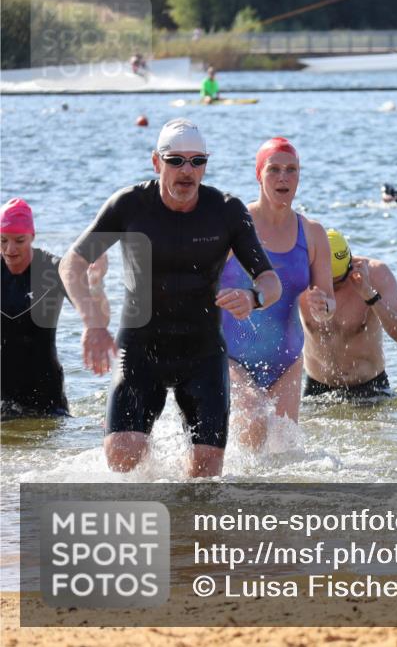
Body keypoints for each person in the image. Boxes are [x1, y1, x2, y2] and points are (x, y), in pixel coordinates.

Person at [59, 118, 281, 477]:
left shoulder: (226, 210)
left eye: (197, 161)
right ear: (156, 162)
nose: (187, 170)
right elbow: (72, 263)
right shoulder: (130, 205)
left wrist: (254, 297)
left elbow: (271, 280)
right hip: (140, 349)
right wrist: (92, 322)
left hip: (203, 352)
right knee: (123, 459)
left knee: (206, 475)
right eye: (175, 160)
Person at [219, 138, 336, 450]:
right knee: (253, 430)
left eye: (291, 170)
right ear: (259, 174)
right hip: (230, 356)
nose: (283, 177)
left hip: (287, 360)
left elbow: (328, 303)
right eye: (274, 169)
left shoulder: (312, 233)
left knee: (284, 453)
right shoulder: (233, 225)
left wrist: (320, 304)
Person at [1, 199, 107, 418]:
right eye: (2, 241)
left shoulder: (55, 269)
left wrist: (96, 283)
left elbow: (99, 317)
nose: (10, 249)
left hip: (46, 396)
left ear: (32, 236)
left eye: (19, 240)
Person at [302, 230, 397, 403]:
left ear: (351, 265)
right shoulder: (299, 278)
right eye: (327, 281)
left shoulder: (376, 274)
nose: (331, 290)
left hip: (371, 390)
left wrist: (369, 295)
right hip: (316, 391)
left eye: (340, 281)